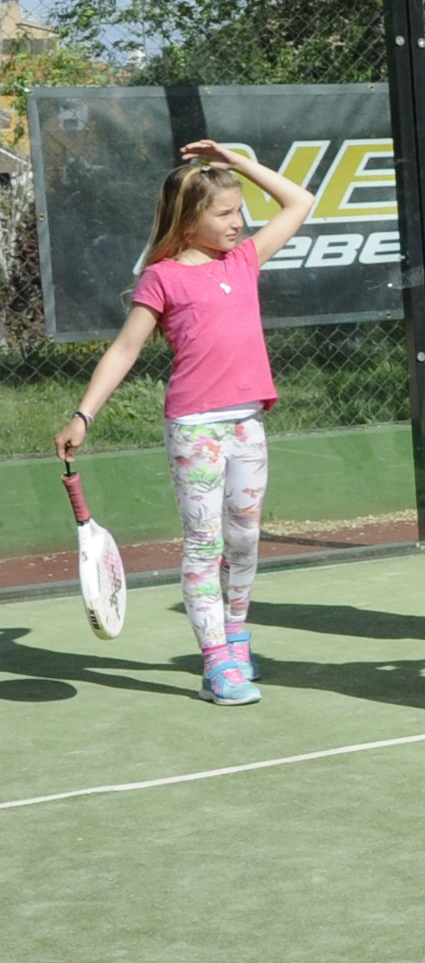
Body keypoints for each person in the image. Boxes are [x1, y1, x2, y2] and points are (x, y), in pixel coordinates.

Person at [55, 140, 314, 705]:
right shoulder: (163, 277)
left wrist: (235, 163)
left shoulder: (244, 259)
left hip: (248, 423)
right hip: (195, 427)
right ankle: (216, 660)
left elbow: (300, 202)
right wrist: (83, 414)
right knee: (205, 543)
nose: (237, 221)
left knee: (244, 540)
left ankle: (237, 635)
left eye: (239, 209)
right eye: (223, 212)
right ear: (188, 217)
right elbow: (124, 349)